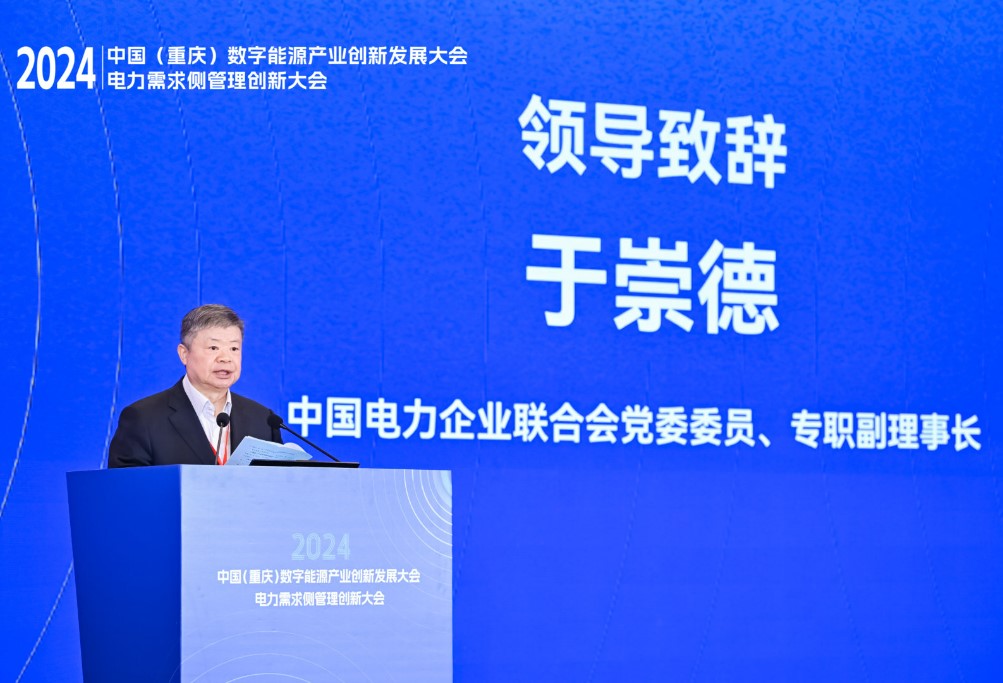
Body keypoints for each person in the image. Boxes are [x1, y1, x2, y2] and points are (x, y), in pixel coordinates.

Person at [108, 304, 281, 467]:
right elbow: (127, 486)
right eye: (213, 348)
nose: (225, 358)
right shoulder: (143, 419)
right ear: (184, 354)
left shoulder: (263, 420)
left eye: (234, 349)